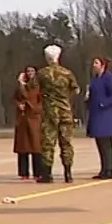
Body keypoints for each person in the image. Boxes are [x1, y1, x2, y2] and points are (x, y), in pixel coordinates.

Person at [35, 44, 79, 183]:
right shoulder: (67, 73)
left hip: (49, 113)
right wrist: (66, 98)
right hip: (65, 111)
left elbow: (33, 88)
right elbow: (75, 90)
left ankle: (47, 174)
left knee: (48, 143)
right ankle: (68, 173)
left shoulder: (42, 74)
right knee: (66, 143)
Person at [85, 56, 112, 179]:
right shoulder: (95, 79)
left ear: (102, 65)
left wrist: (103, 103)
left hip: (105, 115)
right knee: (99, 142)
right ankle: (103, 169)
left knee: (106, 143)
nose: (93, 65)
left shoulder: (108, 78)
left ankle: (110, 170)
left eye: (96, 63)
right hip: (95, 114)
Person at [12, 67, 43, 180]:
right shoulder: (21, 86)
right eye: (28, 71)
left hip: (34, 118)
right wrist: (18, 105)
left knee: (36, 147)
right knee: (23, 147)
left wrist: (36, 108)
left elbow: (41, 100)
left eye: (32, 71)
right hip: (23, 119)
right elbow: (16, 98)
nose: (30, 73)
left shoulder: (38, 86)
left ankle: (38, 172)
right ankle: (24, 173)